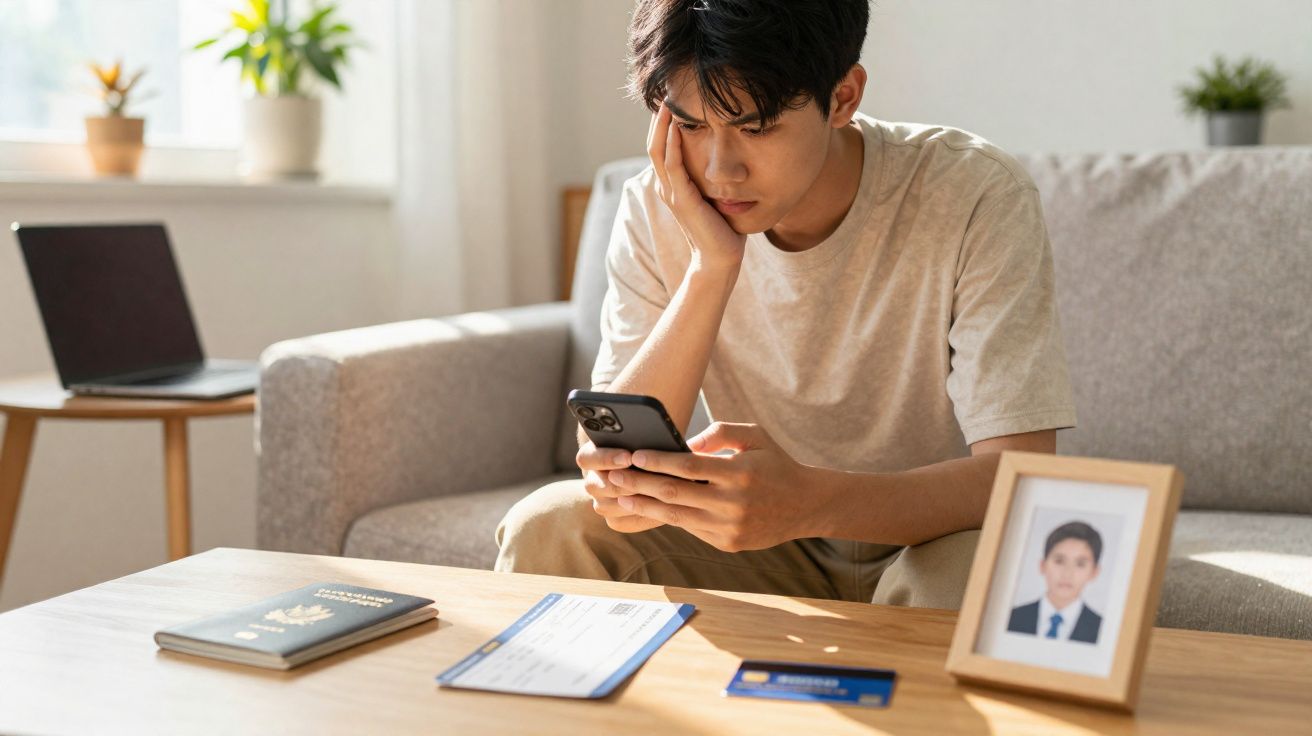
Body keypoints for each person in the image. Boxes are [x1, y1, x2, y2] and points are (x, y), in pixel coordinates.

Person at [495, 0, 1077, 609]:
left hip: (929, 538)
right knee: (551, 528)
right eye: (690, 126)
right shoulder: (656, 206)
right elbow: (621, 482)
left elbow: (1020, 478)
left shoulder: (975, 193)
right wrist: (711, 265)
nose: (720, 171)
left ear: (843, 97)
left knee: (966, 582)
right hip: (760, 549)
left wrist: (809, 504)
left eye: (755, 128)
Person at [1007, 521, 1104, 644]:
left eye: (1080, 564)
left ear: (1094, 572)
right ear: (1042, 565)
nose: (1067, 574)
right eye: (1059, 561)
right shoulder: (1011, 618)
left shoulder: (1102, 630)